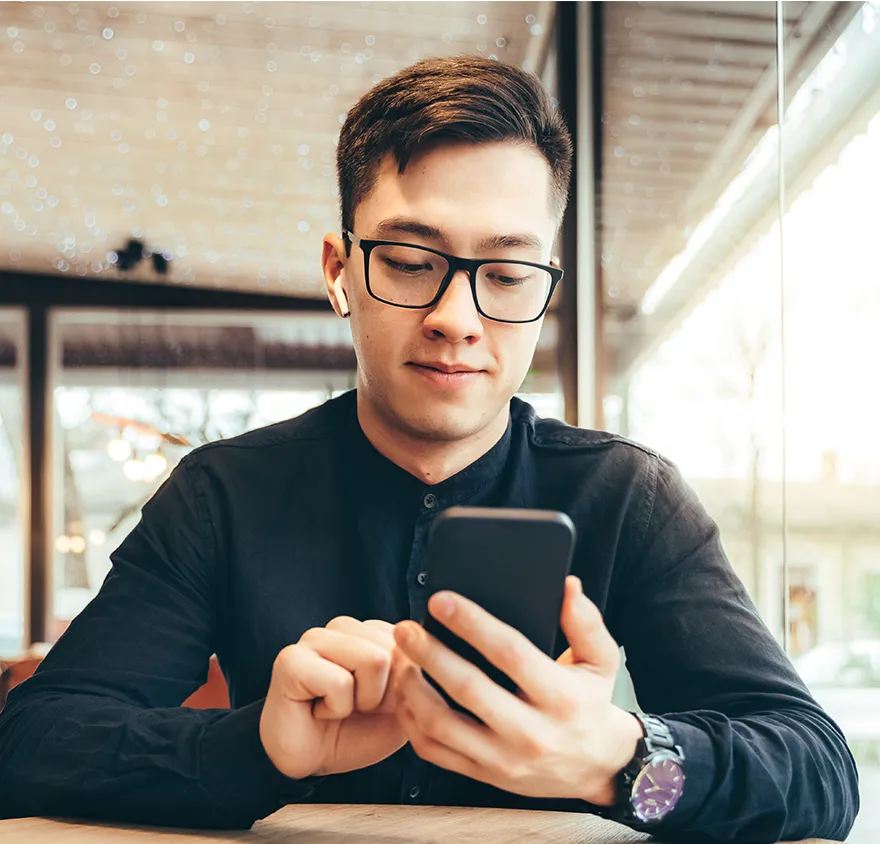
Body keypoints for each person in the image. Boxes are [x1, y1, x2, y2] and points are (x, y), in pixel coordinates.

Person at [0, 55, 859, 843]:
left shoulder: (626, 494)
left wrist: (622, 762)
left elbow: (819, 770)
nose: (457, 318)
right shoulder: (221, 494)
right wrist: (261, 748)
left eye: (507, 274)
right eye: (411, 261)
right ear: (339, 271)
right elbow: (31, 741)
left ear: (545, 289)